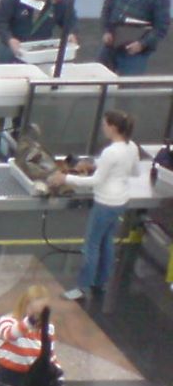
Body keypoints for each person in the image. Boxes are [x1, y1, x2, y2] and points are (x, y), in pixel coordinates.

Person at [51, 109, 144, 302]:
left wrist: (65, 178)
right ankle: (100, 282)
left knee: (91, 245)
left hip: (105, 202)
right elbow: (135, 172)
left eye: (104, 124)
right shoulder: (131, 147)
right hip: (121, 201)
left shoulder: (111, 152)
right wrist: (98, 165)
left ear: (113, 127)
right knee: (107, 241)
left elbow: (95, 181)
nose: (103, 127)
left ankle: (82, 287)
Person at [100, 0, 169, 76]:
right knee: (98, 78)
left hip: (136, 51)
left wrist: (142, 44)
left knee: (129, 85)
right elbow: (107, 7)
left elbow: (161, 27)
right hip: (111, 44)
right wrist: (106, 30)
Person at [0, 0, 75, 64]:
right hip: (10, 43)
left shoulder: (60, 3)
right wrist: (9, 38)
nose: (36, 0)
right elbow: (0, 20)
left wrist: (70, 32)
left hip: (38, 47)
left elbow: (70, 20)